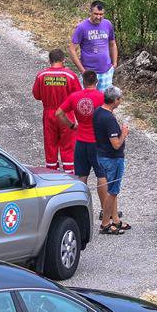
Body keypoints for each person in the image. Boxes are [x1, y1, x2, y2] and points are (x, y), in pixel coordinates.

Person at [56, 70, 107, 209]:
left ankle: (81, 208)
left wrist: (72, 125)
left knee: (81, 176)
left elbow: (59, 113)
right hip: (97, 142)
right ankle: (105, 210)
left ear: (83, 82)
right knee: (102, 176)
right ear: (96, 81)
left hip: (80, 141)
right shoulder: (102, 97)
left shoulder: (74, 97)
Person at [32, 49, 81, 174]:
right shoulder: (70, 75)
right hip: (66, 114)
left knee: (50, 145)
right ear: (63, 60)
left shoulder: (41, 75)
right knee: (68, 146)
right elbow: (78, 97)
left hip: (49, 114)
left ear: (49, 61)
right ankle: (70, 176)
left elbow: (37, 95)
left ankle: (51, 175)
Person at [93, 86, 130, 235]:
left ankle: (115, 220)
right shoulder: (108, 118)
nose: (120, 101)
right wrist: (124, 133)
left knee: (112, 191)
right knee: (112, 192)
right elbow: (116, 144)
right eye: (119, 99)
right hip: (112, 158)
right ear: (115, 100)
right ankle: (105, 224)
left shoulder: (98, 112)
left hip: (101, 155)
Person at [69, 1, 118, 92]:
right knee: (87, 102)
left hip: (106, 72)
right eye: (96, 14)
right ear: (90, 12)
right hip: (89, 73)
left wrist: (114, 64)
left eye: (101, 14)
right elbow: (72, 49)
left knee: (104, 103)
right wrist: (83, 71)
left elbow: (112, 43)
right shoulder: (82, 27)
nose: (98, 17)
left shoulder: (107, 24)